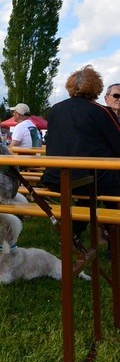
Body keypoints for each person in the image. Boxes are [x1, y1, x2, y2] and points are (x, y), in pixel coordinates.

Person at [42, 65, 120, 238]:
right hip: (90, 178)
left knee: (86, 194)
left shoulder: (55, 109)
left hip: (57, 176)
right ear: (97, 88)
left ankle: (75, 233)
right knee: (111, 189)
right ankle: (110, 240)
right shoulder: (101, 111)